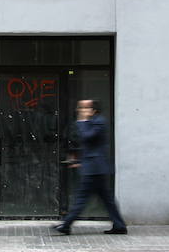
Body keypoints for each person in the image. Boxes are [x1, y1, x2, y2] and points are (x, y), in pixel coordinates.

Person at [53, 99, 127, 236]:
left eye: (85, 108)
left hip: (94, 168)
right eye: (81, 108)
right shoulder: (95, 122)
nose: (81, 110)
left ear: (93, 110)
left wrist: (82, 121)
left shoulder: (98, 122)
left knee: (82, 198)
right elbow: (89, 145)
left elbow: (88, 137)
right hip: (94, 167)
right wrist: (79, 160)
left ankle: (66, 224)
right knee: (107, 200)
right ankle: (119, 225)